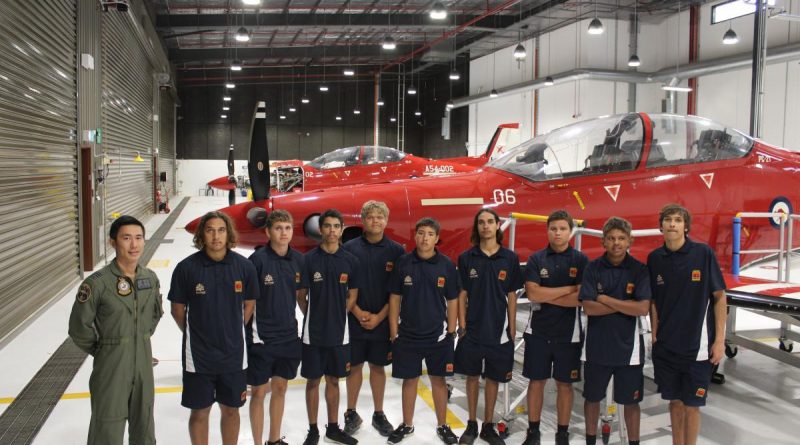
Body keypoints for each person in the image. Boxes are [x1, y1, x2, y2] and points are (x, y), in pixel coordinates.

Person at [69, 215, 163, 445]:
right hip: (111, 366)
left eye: (139, 238)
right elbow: (78, 328)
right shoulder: (97, 284)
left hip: (142, 365)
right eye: (126, 238)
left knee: (144, 427)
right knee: (107, 429)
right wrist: (106, 349)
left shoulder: (150, 278)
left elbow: (154, 315)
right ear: (113, 242)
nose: (134, 244)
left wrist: (137, 342)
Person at [168, 211, 258, 445]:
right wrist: (196, 334)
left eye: (221, 230)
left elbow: (249, 303)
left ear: (228, 233)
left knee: (231, 410)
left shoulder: (244, 266)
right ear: (201, 235)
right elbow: (177, 310)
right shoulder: (186, 268)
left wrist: (234, 328)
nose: (216, 236)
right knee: (199, 412)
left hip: (234, 356)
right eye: (210, 230)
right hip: (198, 356)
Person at [647, 204, 727, 445]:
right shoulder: (655, 259)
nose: (672, 224)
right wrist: (654, 332)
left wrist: (720, 340)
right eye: (668, 220)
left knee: (692, 406)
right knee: (675, 403)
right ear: (661, 226)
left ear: (686, 226)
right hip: (667, 348)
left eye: (678, 220)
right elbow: (652, 301)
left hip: (698, 349)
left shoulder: (703, 254)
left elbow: (720, 297)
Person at [386, 217, 460, 445]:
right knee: (410, 381)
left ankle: (442, 425)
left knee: (438, 381)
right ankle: (407, 425)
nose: (424, 237)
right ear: (415, 236)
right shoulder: (403, 263)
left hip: (438, 337)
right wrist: (393, 332)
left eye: (429, 234)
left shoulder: (446, 264)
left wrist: (452, 328)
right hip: (407, 335)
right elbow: (395, 299)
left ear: (437, 239)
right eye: (420, 233)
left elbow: (453, 299)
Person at [579, 217, 651, 445]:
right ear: (603, 241)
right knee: (592, 398)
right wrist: (624, 305)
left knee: (631, 402)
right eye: (611, 238)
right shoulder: (593, 268)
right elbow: (589, 307)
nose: (616, 243)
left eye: (621, 238)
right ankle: (591, 440)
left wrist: (605, 299)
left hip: (629, 351)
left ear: (629, 241)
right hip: (596, 349)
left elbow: (642, 308)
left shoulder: (640, 270)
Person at [454, 209, 522, 445]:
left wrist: (512, 328)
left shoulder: (510, 258)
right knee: (472, 377)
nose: (485, 226)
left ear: (497, 226)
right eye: (481, 222)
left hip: (499, 331)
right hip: (472, 330)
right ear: (477, 227)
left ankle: (488, 426)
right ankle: (472, 424)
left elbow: (512, 296)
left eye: (490, 222)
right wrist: (461, 325)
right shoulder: (466, 258)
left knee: (493, 378)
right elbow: (462, 294)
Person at [522, 210, 588, 445]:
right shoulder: (536, 259)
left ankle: (562, 432)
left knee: (565, 384)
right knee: (536, 382)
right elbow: (532, 293)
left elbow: (581, 298)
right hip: (538, 332)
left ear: (570, 231)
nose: (557, 232)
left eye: (562, 228)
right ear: (547, 230)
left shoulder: (580, 260)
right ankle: (533, 432)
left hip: (568, 334)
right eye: (553, 228)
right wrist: (567, 290)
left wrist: (546, 295)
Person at [298, 209, 361, 445]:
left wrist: (337, 315)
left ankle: (333, 428)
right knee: (313, 381)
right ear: (320, 229)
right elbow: (301, 296)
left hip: (340, 333)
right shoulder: (308, 260)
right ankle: (313, 430)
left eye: (336, 226)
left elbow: (352, 295)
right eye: (328, 226)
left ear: (342, 229)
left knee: (334, 380)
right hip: (312, 334)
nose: (332, 231)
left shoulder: (351, 261)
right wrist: (316, 316)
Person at [342, 201, 405, 437]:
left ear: (386, 221)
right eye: (370, 217)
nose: (375, 221)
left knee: (378, 367)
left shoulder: (396, 251)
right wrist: (357, 312)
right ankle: (351, 412)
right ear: (363, 220)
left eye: (380, 217)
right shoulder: (348, 248)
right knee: (354, 367)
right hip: (354, 318)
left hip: (382, 320)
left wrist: (380, 317)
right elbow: (344, 287)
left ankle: (379, 413)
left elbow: (398, 293)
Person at [247, 210, 305, 445]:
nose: (283, 232)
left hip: (289, 337)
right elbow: (247, 302)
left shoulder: (299, 260)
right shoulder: (257, 261)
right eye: (278, 228)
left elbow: (301, 296)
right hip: (262, 339)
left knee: (280, 389)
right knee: (259, 393)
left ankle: (274, 439)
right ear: (268, 231)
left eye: (287, 228)